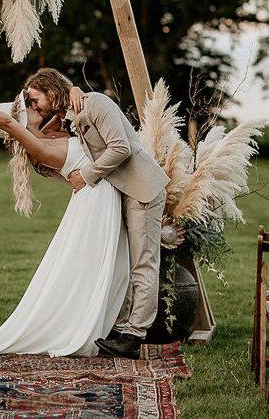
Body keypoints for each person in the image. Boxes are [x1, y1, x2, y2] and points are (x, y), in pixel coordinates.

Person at [0, 92, 130, 358]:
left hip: (99, 193)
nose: (33, 107)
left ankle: (101, 323)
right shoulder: (35, 145)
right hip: (95, 199)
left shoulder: (52, 131)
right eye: (27, 108)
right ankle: (81, 327)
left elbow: (65, 107)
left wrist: (72, 90)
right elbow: (6, 124)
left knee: (96, 265)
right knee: (89, 265)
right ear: (17, 119)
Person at [24, 68, 169, 360]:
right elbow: (43, 133)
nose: (33, 106)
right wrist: (42, 115)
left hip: (141, 190)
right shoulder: (70, 112)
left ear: (51, 91)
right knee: (122, 263)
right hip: (120, 194)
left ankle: (134, 336)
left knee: (143, 263)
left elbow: (121, 148)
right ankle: (122, 325)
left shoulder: (97, 104)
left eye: (35, 99)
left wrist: (87, 175)